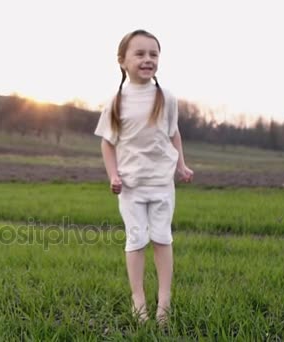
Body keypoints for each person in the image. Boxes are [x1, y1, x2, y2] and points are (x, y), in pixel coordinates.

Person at [94, 29, 194, 326]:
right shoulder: (117, 101)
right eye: (140, 53)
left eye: (153, 53)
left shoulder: (167, 98)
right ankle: (138, 299)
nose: (148, 59)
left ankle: (164, 300)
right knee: (136, 240)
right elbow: (107, 143)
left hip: (162, 183)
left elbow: (173, 133)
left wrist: (182, 165)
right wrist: (113, 174)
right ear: (122, 61)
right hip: (131, 186)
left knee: (162, 238)